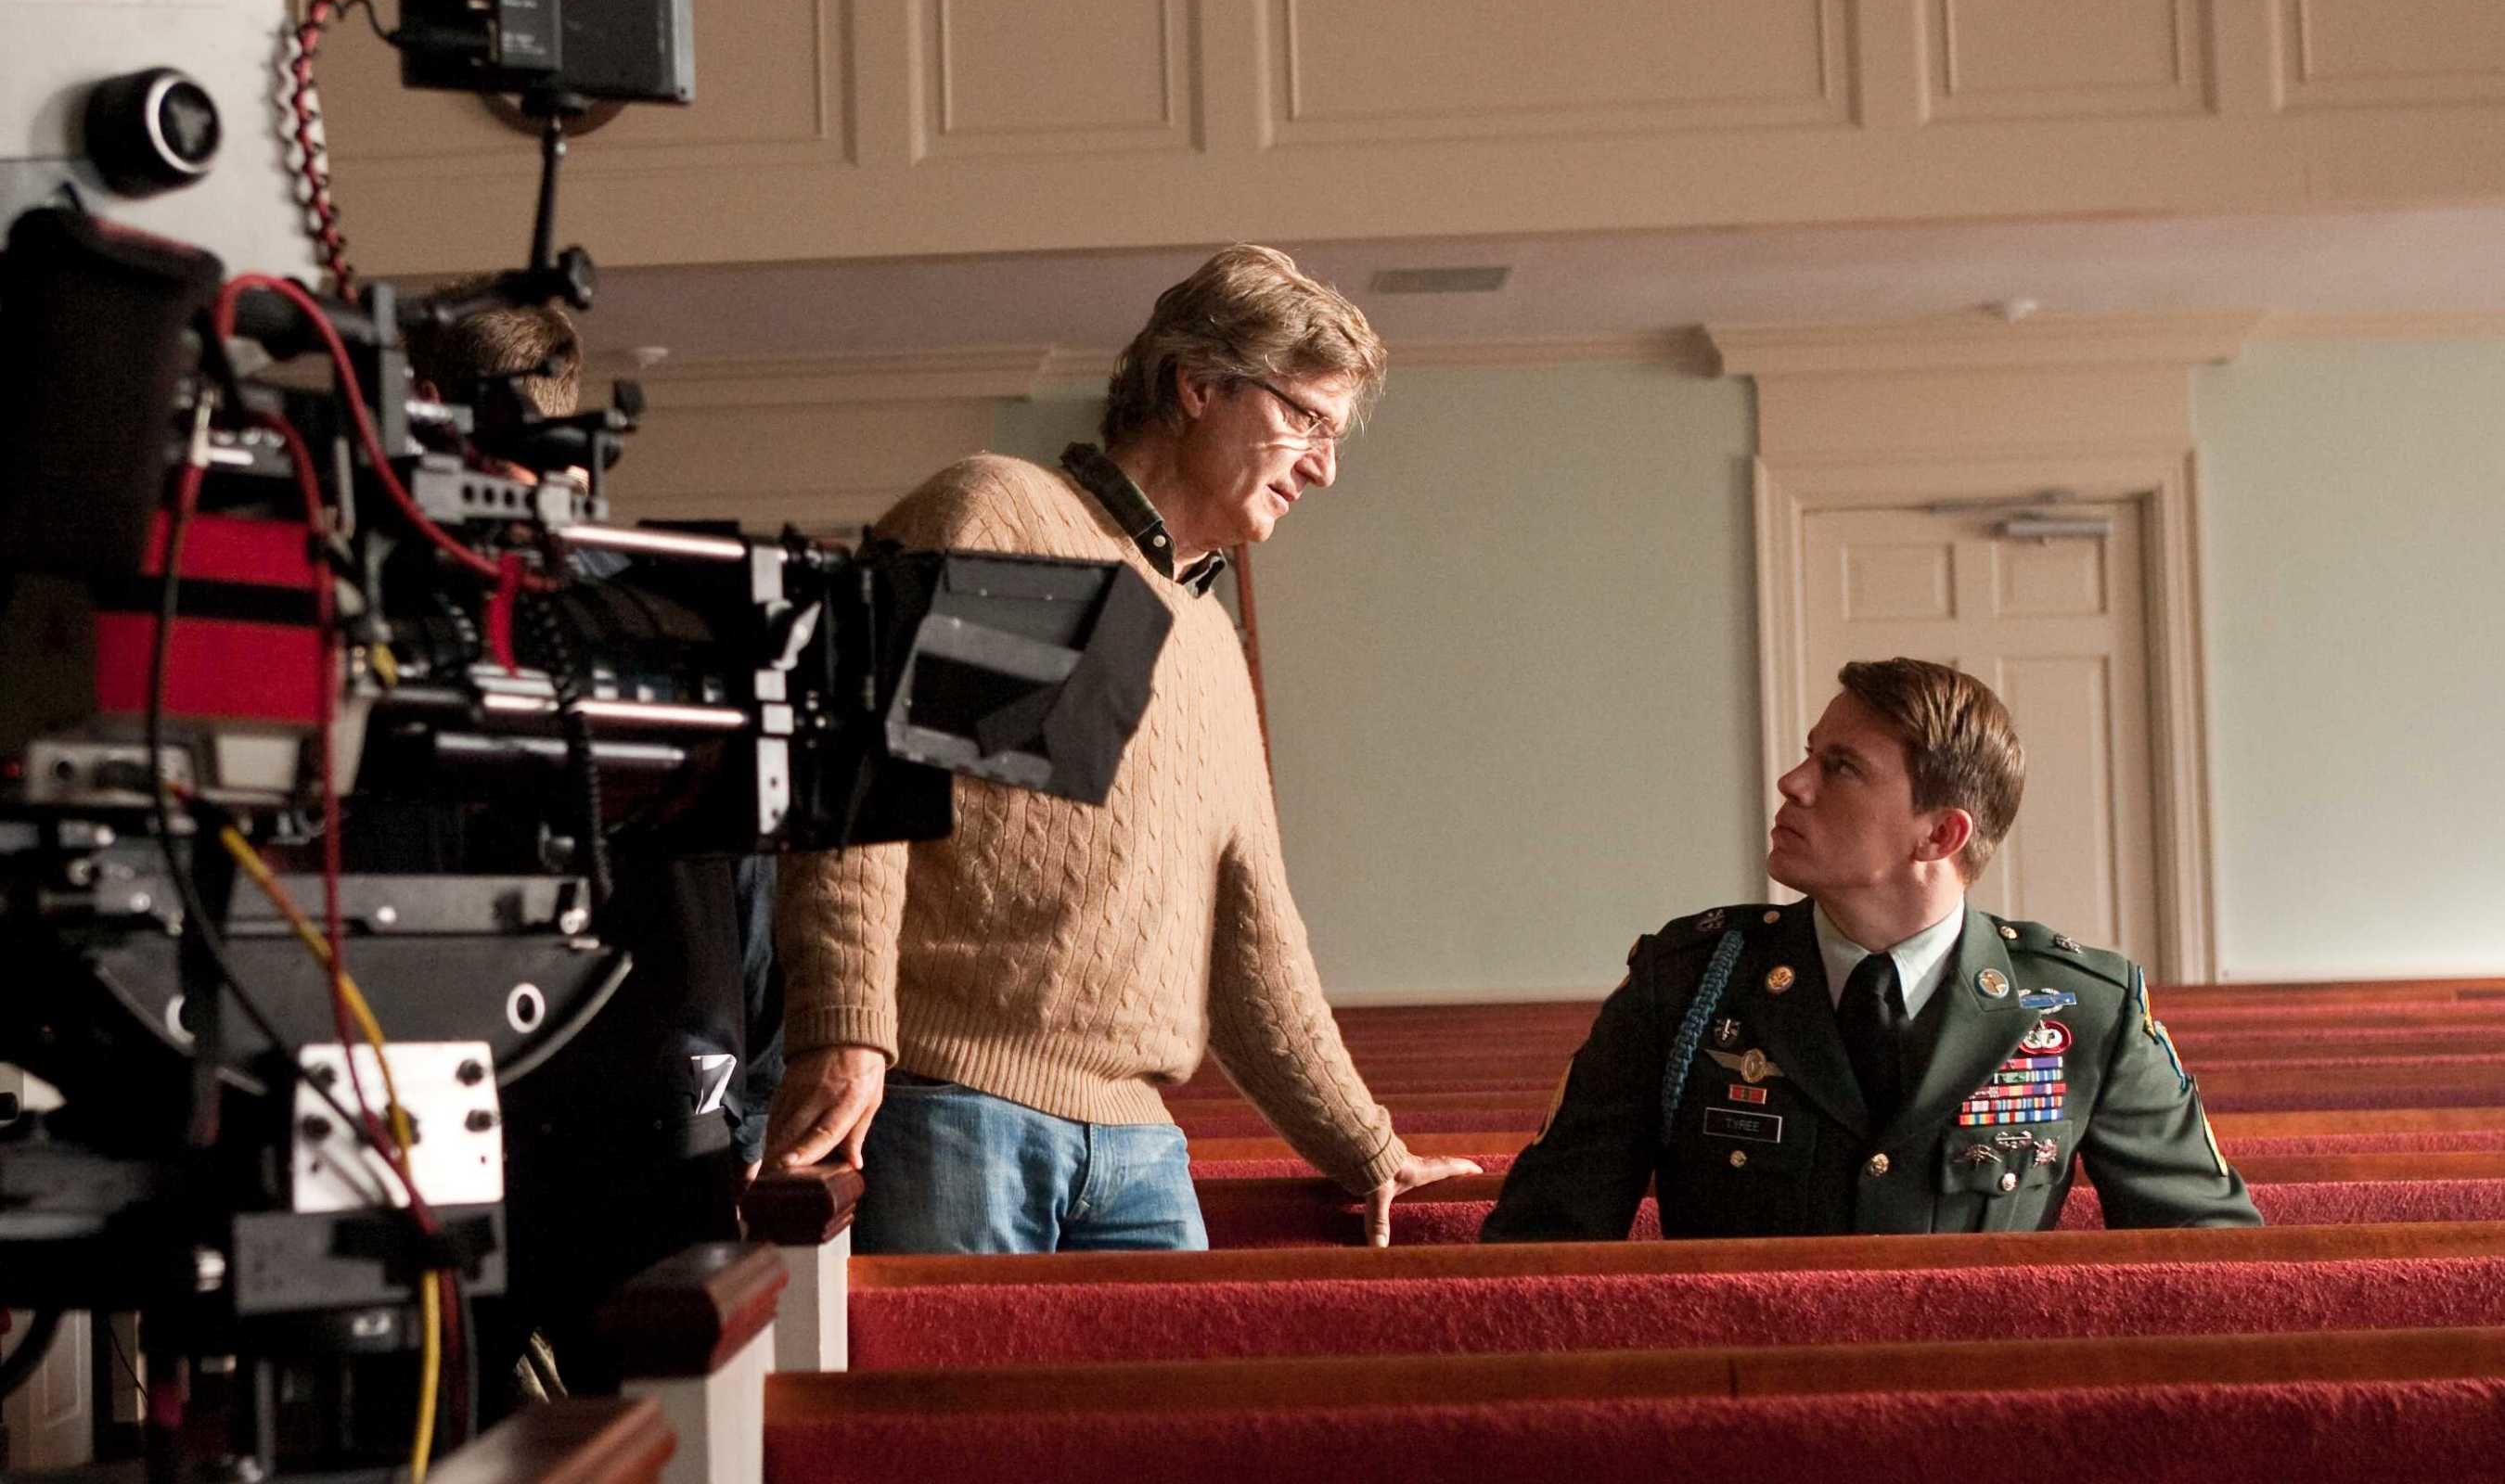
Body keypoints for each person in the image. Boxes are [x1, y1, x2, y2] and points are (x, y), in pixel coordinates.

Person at [764, 243, 1479, 1252]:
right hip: (956, 1112)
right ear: (1198, 386)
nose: (1324, 466)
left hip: (1142, 1147)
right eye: (1306, 420)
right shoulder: (1009, 515)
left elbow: (1256, 937)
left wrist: (1370, 1149)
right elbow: (863, 789)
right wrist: (844, 1029)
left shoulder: (1210, 643)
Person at [1483, 658, 2258, 1241]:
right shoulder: (1687, 984)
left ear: (1940, 833)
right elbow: (1543, 1241)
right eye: (1809, 753)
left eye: (1841, 768)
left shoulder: (2082, 1009)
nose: (1793, 783)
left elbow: (2211, 1257)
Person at [392, 297, 787, 1407]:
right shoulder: (677, 622)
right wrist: (746, 1103)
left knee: (449, 1443)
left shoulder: (394, 625)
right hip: (649, 1106)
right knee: (676, 1439)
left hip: (474, 1115)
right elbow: (755, 892)